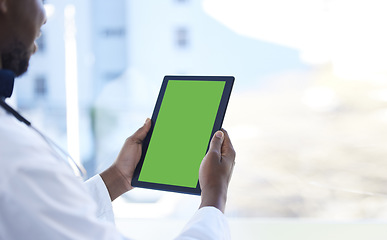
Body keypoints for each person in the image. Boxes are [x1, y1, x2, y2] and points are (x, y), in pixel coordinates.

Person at [0, 0, 236, 239]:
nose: (45, 15)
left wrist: (118, 177)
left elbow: (43, 215)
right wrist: (215, 196)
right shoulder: (13, 153)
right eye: (41, 0)